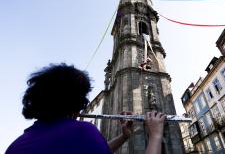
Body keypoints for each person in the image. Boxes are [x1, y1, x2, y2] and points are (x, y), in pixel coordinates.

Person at [5, 63, 165, 154]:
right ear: (76, 102)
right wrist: (155, 135)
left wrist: (123, 137)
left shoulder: (15, 147)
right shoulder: (82, 132)